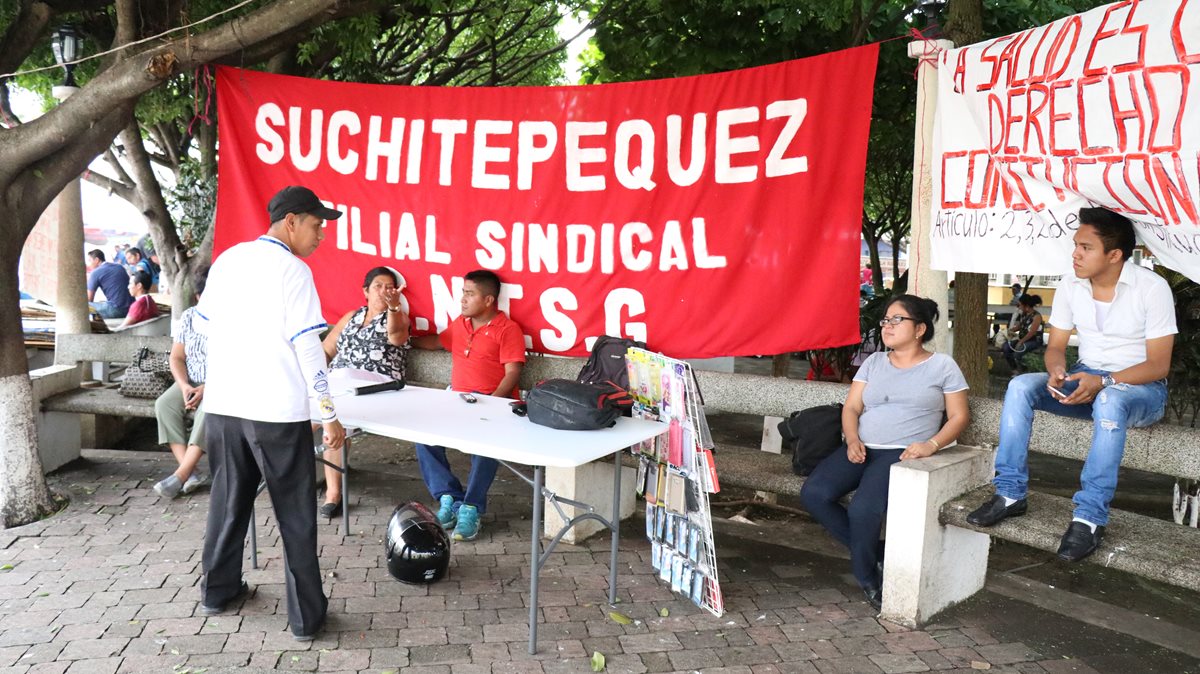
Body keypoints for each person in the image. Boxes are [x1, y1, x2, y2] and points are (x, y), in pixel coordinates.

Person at [967, 208, 1176, 563]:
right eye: (1075, 245)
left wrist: (1104, 381)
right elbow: (1055, 348)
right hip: (1085, 378)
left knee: (1110, 399)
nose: (1075, 254)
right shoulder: (1070, 284)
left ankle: (1090, 517)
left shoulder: (1151, 288)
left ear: (1115, 255)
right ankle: (1009, 493)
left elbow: (1158, 365)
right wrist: (1057, 371)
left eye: (1085, 247)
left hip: (1140, 390)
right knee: (1020, 387)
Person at [195, 185, 345, 641]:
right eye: (317, 224)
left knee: (227, 502)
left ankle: (217, 592)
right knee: (295, 513)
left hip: (224, 408)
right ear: (292, 221)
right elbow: (308, 348)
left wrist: (208, 384)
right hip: (276, 412)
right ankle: (305, 617)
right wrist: (328, 412)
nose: (321, 235)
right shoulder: (292, 271)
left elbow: (199, 327)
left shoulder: (228, 260)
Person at [800, 294, 969, 611]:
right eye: (885, 320)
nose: (887, 326)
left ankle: (868, 579)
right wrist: (851, 439)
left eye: (896, 320)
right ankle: (879, 554)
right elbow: (852, 407)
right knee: (814, 492)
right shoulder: (874, 362)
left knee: (863, 510)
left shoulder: (942, 366)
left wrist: (931, 445)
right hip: (861, 447)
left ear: (919, 329)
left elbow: (960, 416)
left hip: (903, 453)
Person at [412, 269, 525, 541]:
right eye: (463, 293)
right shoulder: (460, 324)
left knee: (484, 444)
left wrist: (491, 402)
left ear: (488, 300)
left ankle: (471, 507)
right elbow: (436, 342)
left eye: (469, 294)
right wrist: (402, 340)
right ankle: (449, 497)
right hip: (458, 401)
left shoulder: (507, 329)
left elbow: (512, 373)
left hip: (493, 404)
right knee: (421, 434)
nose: (462, 299)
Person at [317, 266, 411, 518]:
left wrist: (393, 307)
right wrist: (315, 378)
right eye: (378, 286)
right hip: (339, 382)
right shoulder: (351, 316)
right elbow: (326, 349)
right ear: (366, 292)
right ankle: (292, 476)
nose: (384, 291)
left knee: (331, 415)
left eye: (389, 287)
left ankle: (333, 494)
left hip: (377, 384)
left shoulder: (398, 315)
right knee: (306, 417)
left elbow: (396, 337)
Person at [152, 266, 211, 499]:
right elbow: (176, 357)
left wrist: (206, 389)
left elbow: (236, 365)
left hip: (220, 385)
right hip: (190, 380)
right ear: (198, 296)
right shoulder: (189, 317)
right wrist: (185, 386)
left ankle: (181, 474)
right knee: (164, 405)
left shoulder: (233, 321)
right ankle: (192, 473)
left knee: (209, 411)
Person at [1002, 294, 1044, 374]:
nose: (1019, 307)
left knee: (1018, 351)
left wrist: (1021, 341)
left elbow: (1032, 332)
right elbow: (1020, 326)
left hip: (1033, 340)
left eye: (1020, 305)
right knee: (1006, 347)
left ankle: (1023, 371)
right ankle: (1015, 370)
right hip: (1023, 339)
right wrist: (1010, 330)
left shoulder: (1036, 316)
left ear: (1026, 305)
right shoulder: (1024, 314)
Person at [85, 249, 133, 319]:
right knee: (103, 303)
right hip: (131, 308)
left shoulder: (95, 272)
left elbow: (89, 299)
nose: (89, 264)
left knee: (83, 305)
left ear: (97, 260)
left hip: (117, 310)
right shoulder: (119, 267)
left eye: (89, 260)